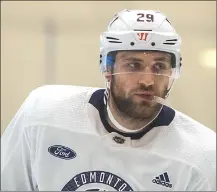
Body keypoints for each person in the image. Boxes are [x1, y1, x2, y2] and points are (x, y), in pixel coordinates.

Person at [1, 9, 216, 191]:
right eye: (133, 65)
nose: (148, 80)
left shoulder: (201, 156)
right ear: (107, 68)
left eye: (159, 67)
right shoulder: (42, 115)